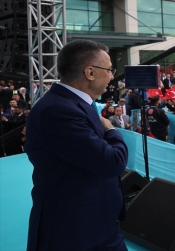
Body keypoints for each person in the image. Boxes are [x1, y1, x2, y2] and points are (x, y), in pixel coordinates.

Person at [24, 39, 129, 250]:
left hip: (98, 224)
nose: (112, 76)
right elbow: (112, 162)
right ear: (90, 72)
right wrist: (111, 130)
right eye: (109, 70)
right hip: (74, 231)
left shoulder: (74, 104)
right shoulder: (58, 111)